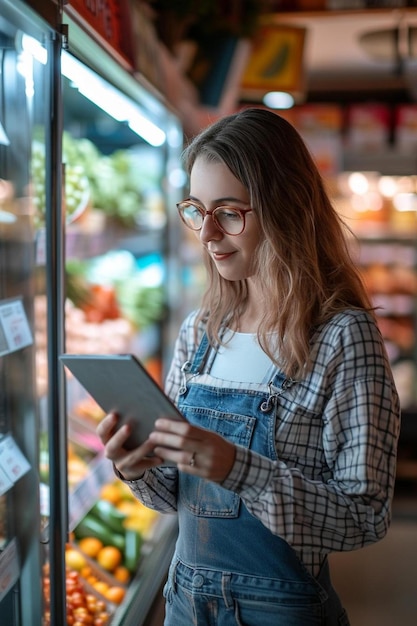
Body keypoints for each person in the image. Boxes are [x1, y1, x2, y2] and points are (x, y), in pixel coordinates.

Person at [97, 108, 400, 625]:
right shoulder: (201, 331)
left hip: (281, 612)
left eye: (230, 212)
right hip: (185, 603)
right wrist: (137, 467)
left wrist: (239, 469)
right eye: (196, 209)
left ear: (286, 207)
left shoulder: (341, 337)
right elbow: (175, 495)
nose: (208, 234)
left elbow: (364, 517)